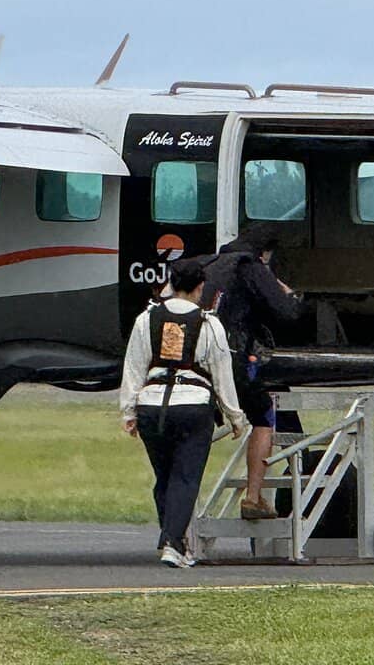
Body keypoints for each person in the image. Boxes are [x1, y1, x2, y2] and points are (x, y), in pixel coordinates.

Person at [120, 258, 247, 568]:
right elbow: (221, 373)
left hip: (151, 405)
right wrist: (235, 416)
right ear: (200, 288)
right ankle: (173, 543)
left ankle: (172, 537)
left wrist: (128, 410)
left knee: (164, 478)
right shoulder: (208, 323)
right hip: (193, 406)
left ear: (171, 284)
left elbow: (133, 367)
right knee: (186, 477)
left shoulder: (146, 319)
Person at [200, 225, 302, 520]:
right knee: (263, 417)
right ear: (264, 252)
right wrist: (290, 294)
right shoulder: (252, 267)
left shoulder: (211, 265)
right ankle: (253, 496)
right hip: (234, 359)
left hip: (198, 361)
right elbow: (286, 312)